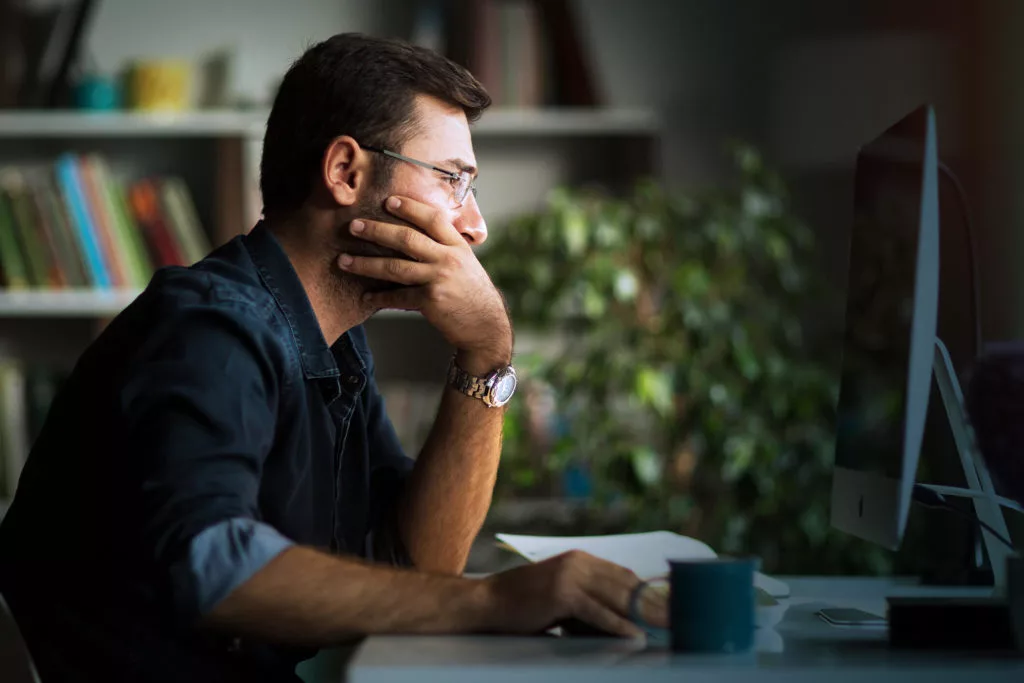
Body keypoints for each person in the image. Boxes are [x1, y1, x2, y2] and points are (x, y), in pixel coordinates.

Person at [0, 33, 664, 682]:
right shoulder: (211, 327)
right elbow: (213, 562)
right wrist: (496, 600)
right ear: (346, 172)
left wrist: (487, 352)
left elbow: (418, 560)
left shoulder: (334, 343)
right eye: (454, 180)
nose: (475, 225)